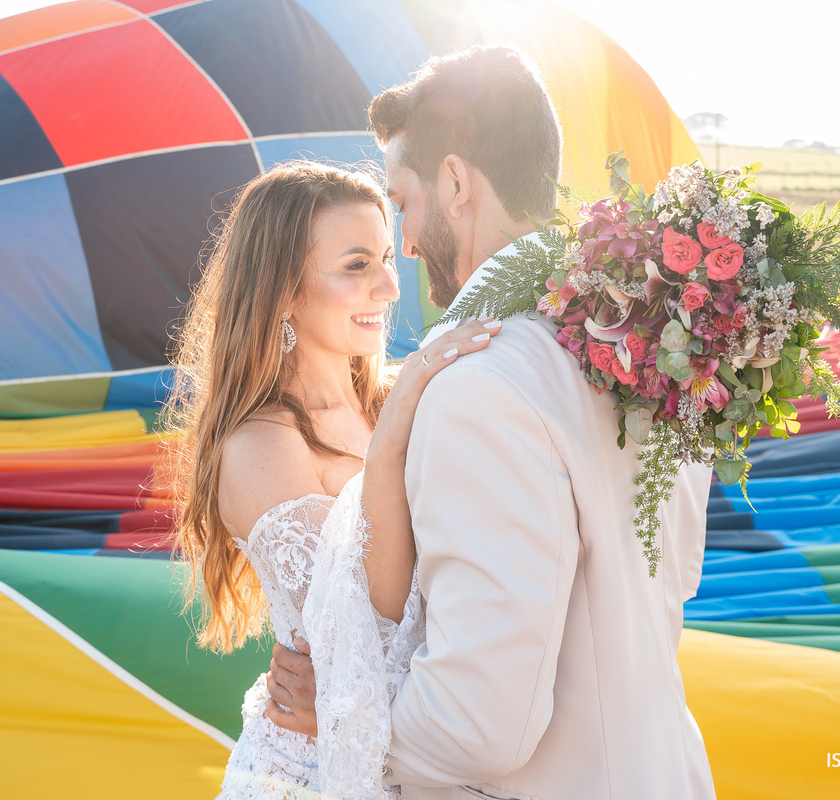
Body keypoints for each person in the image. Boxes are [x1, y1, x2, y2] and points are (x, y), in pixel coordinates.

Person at [266, 46, 718, 799]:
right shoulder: (648, 345)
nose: (407, 243)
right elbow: (676, 578)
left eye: (403, 201)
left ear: (455, 183)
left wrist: (348, 716)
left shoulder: (477, 384)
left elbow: (477, 727)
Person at [161, 160, 500, 798]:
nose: (390, 288)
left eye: (385, 259)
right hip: (307, 774)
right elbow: (367, 620)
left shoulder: (401, 398)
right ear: (284, 291)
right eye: (356, 265)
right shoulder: (261, 445)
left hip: (425, 748)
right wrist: (395, 433)